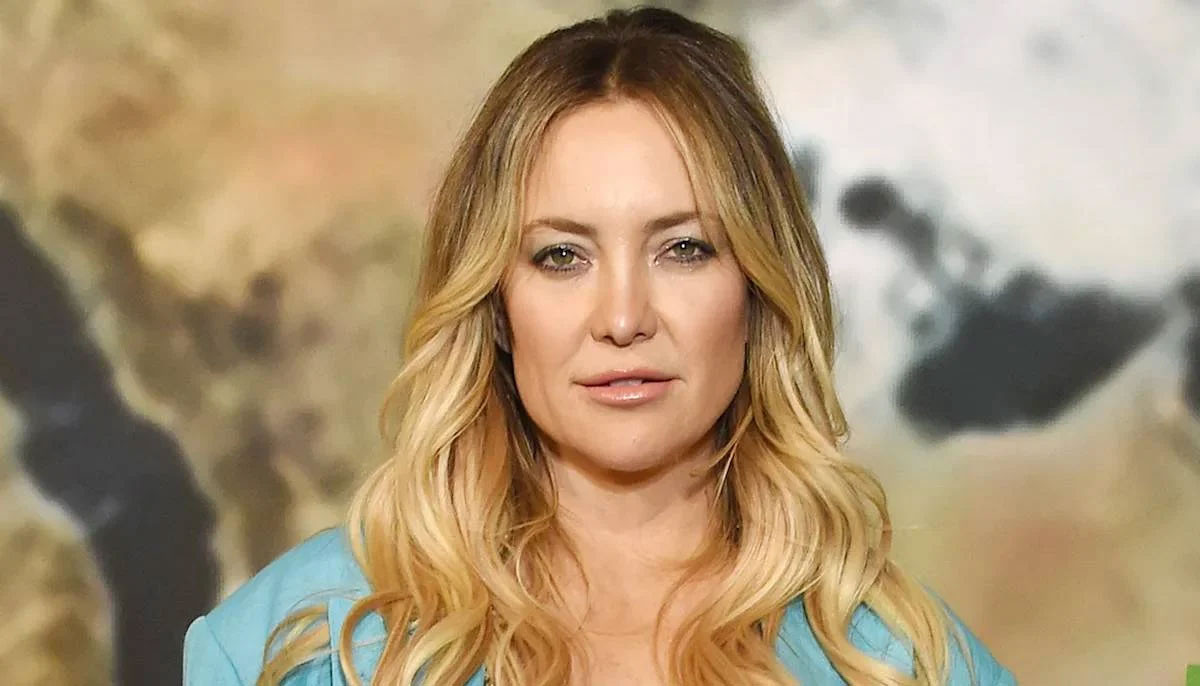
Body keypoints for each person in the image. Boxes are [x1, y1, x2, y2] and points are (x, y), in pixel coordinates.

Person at [184, 7, 1016, 685]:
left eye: (683, 248)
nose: (623, 318)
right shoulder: (290, 646)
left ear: (757, 289)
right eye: (561, 256)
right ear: (496, 305)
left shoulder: (899, 661)